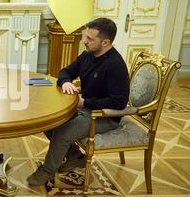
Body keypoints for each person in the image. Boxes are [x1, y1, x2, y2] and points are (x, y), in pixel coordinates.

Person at [27, 17, 130, 186]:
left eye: (90, 39)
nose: (84, 42)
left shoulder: (115, 65)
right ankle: (75, 157)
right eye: (85, 37)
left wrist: (85, 103)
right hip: (85, 107)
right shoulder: (87, 55)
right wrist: (66, 82)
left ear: (105, 42)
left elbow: (118, 102)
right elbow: (66, 71)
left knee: (63, 133)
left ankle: (47, 171)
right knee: (48, 121)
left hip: (104, 116)